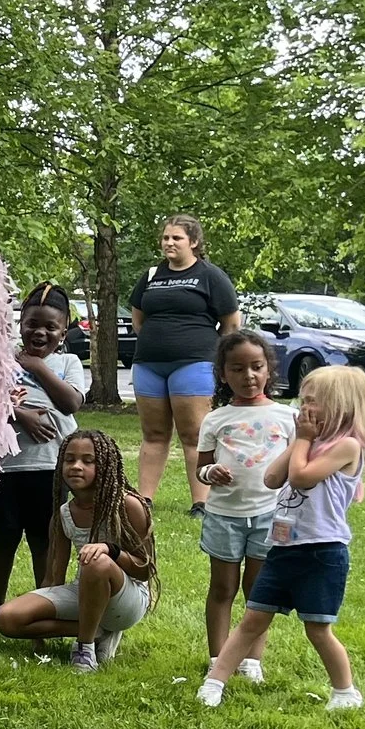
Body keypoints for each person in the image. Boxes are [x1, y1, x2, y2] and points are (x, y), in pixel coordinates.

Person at [200, 365, 365, 710]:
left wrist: (304, 441)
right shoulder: (306, 442)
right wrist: (299, 440)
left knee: (317, 629)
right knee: (251, 619)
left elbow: (303, 478)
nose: (303, 408)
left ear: (338, 405)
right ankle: (215, 682)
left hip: (322, 552)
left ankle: (345, 692)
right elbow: (272, 478)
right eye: (303, 400)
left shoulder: (347, 446)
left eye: (312, 401)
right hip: (283, 548)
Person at [0, 429, 155, 672]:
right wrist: (36, 629)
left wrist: (111, 551)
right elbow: (53, 578)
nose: (76, 466)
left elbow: (145, 570)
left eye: (88, 461)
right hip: (84, 592)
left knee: (97, 561)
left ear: (107, 466)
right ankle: (98, 632)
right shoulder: (63, 514)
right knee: (6, 618)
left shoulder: (128, 505)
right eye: (69, 459)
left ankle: (84, 650)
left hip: (126, 599)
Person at [194, 327, 295, 680]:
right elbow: (200, 468)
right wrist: (210, 473)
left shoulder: (287, 417)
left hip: (271, 515)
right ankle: (217, 658)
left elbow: (298, 465)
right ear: (223, 374)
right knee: (222, 589)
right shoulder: (216, 418)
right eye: (237, 368)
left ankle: (252, 660)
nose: (248, 376)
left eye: (256, 366)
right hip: (224, 516)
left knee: (258, 591)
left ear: (268, 369)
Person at [127, 215, 241, 515]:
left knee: (194, 435)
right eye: (165, 237)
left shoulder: (210, 276)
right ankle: (144, 501)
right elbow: (138, 318)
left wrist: (211, 353)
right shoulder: (152, 275)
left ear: (194, 242)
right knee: (153, 434)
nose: (169, 243)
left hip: (194, 364)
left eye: (176, 238)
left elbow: (231, 323)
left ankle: (201, 502)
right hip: (149, 364)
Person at [0, 285, 87, 614]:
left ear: (64, 329)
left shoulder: (68, 361)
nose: (40, 332)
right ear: (21, 323)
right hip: (9, 466)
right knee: (5, 536)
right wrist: (21, 415)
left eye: (50, 327)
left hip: (51, 468)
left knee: (44, 539)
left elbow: (71, 403)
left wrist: (37, 367)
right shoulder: (4, 360)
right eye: (32, 324)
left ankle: (45, 601)